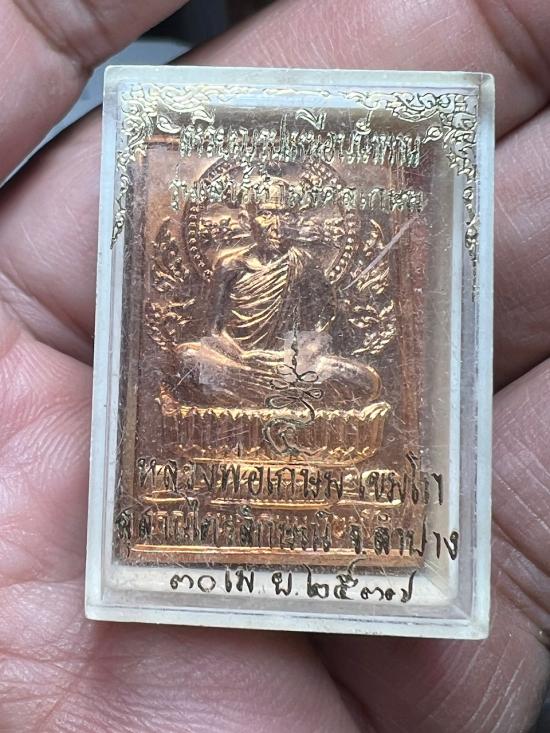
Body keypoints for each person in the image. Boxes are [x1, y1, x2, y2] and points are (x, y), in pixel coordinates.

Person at [0, 1, 548, 732]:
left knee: (364, 380)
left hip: (294, 373)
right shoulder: (228, 263)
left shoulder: (307, 266)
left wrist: (309, 358)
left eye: (284, 218)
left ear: (294, 222)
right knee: (188, 360)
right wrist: (229, 358)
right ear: (248, 218)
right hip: (235, 368)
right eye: (263, 216)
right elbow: (208, 333)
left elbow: (323, 332)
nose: (273, 225)